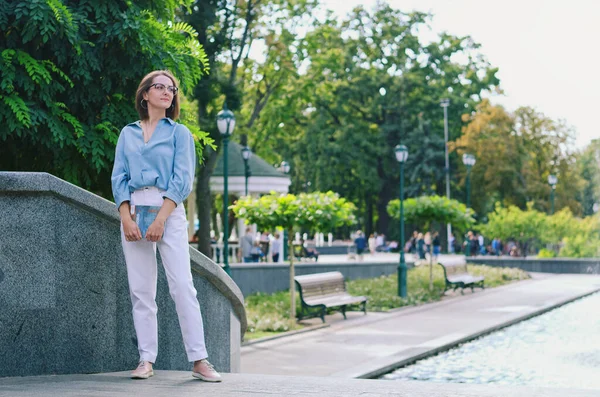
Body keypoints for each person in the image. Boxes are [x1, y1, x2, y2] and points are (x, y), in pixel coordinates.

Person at [111, 70, 221, 382]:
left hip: (168, 214)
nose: (167, 92)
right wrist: (126, 218)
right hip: (133, 213)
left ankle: (199, 359)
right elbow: (119, 178)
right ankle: (146, 359)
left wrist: (161, 218)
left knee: (182, 285)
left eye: (171, 88)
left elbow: (182, 179)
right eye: (159, 87)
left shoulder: (180, 134)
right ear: (144, 94)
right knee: (141, 290)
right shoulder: (127, 134)